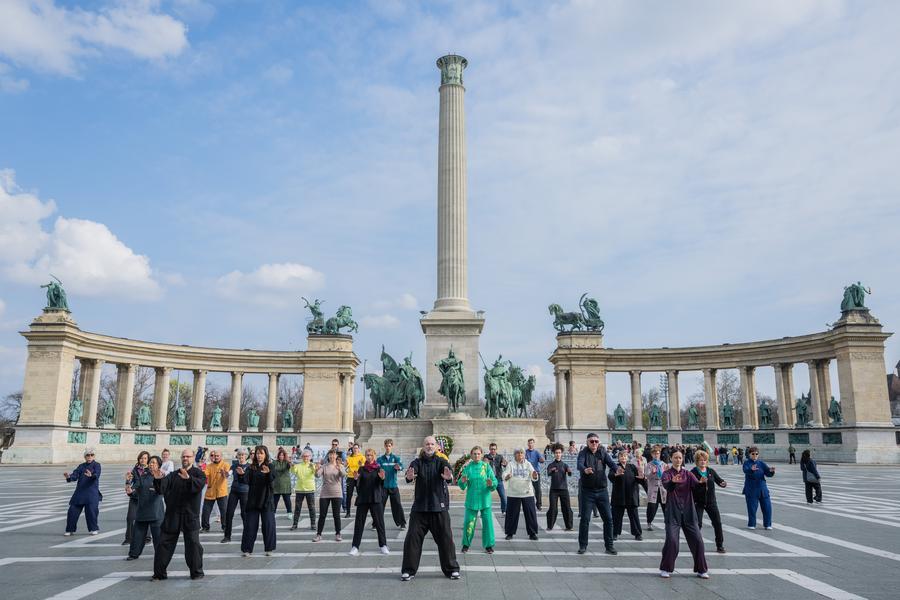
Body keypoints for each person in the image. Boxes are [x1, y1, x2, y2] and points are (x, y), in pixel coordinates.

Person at [400, 436, 460, 581]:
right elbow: (411, 473)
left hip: (438, 507)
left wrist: (448, 476)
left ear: (437, 447)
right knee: (412, 539)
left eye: (432, 444)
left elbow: (448, 472)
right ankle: (408, 570)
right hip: (420, 508)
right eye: (427, 444)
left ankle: (452, 569)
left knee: (446, 539)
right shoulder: (417, 462)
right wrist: (410, 476)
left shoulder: (441, 461)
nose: (429, 446)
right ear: (423, 446)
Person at [151, 448, 206, 581]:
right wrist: (158, 479)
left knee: (193, 545)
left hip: (190, 515)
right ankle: (159, 574)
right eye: (183, 456)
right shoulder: (173, 475)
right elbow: (161, 489)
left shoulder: (198, 474)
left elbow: (199, 486)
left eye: (188, 456)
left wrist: (188, 479)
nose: (185, 458)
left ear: (193, 458)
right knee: (164, 544)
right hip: (173, 515)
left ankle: (196, 573)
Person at [659, 450, 709, 579]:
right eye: (675, 457)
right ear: (671, 459)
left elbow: (697, 488)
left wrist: (702, 483)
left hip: (689, 512)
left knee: (698, 540)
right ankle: (665, 568)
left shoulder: (688, 474)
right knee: (672, 541)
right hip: (673, 512)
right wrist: (673, 482)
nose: (678, 460)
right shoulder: (667, 474)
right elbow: (667, 486)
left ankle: (701, 569)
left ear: (682, 459)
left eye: (680, 458)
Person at [576, 433, 618, 555]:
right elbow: (579, 464)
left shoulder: (602, 452)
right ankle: (583, 546)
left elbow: (611, 463)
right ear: (587, 442)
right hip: (587, 492)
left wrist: (618, 469)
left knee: (608, 519)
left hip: (602, 491)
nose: (594, 443)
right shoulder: (583, 453)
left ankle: (609, 546)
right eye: (591, 441)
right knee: (585, 519)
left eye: (596, 441)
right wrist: (584, 469)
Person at [349, 448, 389, 556]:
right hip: (363, 499)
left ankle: (383, 545)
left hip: (376, 499)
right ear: (365, 456)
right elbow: (358, 484)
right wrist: (356, 479)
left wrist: (382, 478)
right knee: (359, 524)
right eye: (367, 455)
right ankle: (355, 546)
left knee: (379, 523)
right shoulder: (361, 469)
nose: (369, 457)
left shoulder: (378, 468)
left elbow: (381, 484)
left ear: (374, 456)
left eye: (371, 455)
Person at [458, 446, 497, 553]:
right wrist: (463, 481)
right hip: (472, 499)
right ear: (471, 455)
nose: (476, 456)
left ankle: (489, 546)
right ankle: (466, 544)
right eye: (474, 454)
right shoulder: (468, 468)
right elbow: (461, 484)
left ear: (482, 455)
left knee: (487, 523)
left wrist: (491, 484)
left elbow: (494, 481)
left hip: (485, 500)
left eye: (478, 454)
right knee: (469, 523)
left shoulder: (486, 467)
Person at [240, 445, 277, 556]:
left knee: (268, 525)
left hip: (266, 499)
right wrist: (241, 475)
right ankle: (247, 549)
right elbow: (246, 480)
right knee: (250, 525)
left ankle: (269, 549)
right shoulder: (252, 467)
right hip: (253, 499)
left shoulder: (270, 466)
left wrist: (268, 473)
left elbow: (272, 480)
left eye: (261, 453)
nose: (259, 455)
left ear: (265, 454)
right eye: (257, 453)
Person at [126, 455, 164, 560]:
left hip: (156, 512)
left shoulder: (162, 477)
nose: (151, 464)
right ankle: (133, 554)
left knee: (158, 537)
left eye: (154, 463)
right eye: (150, 462)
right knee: (137, 536)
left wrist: (158, 479)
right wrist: (129, 488)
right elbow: (136, 489)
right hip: (142, 510)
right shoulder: (143, 476)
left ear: (159, 465)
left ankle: (161, 556)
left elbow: (162, 490)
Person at [690, 449, 727, 553]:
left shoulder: (711, 471)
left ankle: (720, 545)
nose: (703, 462)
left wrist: (723, 483)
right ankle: (695, 544)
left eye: (705, 460)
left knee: (717, 523)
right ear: (697, 461)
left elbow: (719, 481)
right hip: (698, 502)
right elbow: (690, 487)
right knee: (698, 524)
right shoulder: (692, 472)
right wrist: (699, 482)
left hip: (711, 502)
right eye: (701, 460)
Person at [503, 448, 539, 540]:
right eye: (518, 453)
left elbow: (533, 475)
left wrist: (534, 475)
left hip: (527, 492)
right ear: (515, 455)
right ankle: (510, 533)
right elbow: (505, 474)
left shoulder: (528, 464)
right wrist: (507, 476)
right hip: (514, 493)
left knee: (530, 513)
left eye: (522, 453)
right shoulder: (511, 464)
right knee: (511, 514)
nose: (520, 455)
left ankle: (532, 533)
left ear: (524, 454)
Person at [64, 448, 102, 536]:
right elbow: (75, 475)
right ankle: (70, 529)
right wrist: (69, 477)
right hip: (80, 493)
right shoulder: (81, 466)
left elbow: (97, 474)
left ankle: (93, 529)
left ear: (94, 456)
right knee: (72, 511)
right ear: (85, 457)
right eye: (88, 455)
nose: (90, 456)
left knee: (91, 512)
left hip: (91, 493)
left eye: (92, 455)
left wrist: (91, 475)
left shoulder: (97, 465)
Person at [609, 448, 642, 541]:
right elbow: (610, 476)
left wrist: (642, 478)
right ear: (618, 458)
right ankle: (614, 533)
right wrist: (616, 475)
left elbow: (638, 478)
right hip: (619, 496)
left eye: (625, 456)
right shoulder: (615, 466)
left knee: (634, 516)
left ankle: (637, 534)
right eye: (621, 456)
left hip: (631, 495)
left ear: (627, 457)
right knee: (616, 516)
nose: (623, 458)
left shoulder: (632, 467)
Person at [315, 449, 345, 542]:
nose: (332, 456)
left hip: (337, 493)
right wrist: (316, 469)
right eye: (330, 454)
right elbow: (317, 475)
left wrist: (340, 469)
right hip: (325, 493)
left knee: (336, 515)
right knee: (322, 515)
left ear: (336, 456)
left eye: (333, 454)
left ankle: (338, 534)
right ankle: (319, 534)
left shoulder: (340, 465)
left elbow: (343, 475)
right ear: (328, 456)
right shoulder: (324, 466)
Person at [742, 446, 775, 529]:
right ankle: (752, 524)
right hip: (751, 489)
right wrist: (751, 470)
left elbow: (767, 473)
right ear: (749, 454)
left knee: (767, 507)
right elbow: (745, 470)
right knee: (752, 508)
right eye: (753, 454)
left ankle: (768, 524)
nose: (755, 455)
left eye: (756, 454)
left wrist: (771, 471)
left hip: (762, 489)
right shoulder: (747, 463)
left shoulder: (761, 463)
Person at [222, 448, 250, 543]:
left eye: (243, 455)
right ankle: (227, 536)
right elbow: (228, 475)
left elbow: (249, 479)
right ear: (237, 456)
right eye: (239, 455)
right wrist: (225, 474)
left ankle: (247, 536)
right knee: (229, 513)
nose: (241, 456)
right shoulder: (234, 466)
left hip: (245, 492)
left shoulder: (249, 467)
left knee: (244, 514)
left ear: (246, 456)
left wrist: (243, 474)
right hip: (234, 491)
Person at [377, 438, 406, 529]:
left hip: (393, 486)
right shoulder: (380, 459)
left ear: (392, 446)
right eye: (386, 446)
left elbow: (402, 466)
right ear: (384, 446)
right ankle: (376, 523)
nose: (388, 447)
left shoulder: (396, 458)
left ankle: (402, 523)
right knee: (380, 505)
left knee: (397, 504)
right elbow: (377, 469)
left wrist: (399, 467)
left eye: (389, 446)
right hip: (383, 486)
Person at [123, 451, 149, 545]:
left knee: (147, 517)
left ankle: (147, 537)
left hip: (146, 497)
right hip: (135, 497)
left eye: (145, 458)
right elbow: (129, 482)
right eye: (141, 458)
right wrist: (127, 481)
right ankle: (129, 538)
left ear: (148, 460)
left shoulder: (150, 470)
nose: (143, 460)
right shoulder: (135, 470)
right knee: (130, 517)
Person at [545, 443, 573, 531]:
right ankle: (550, 526)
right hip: (554, 490)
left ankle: (569, 526)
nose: (558, 454)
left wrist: (569, 471)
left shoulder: (565, 465)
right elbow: (548, 473)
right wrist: (552, 471)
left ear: (561, 454)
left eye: (559, 453)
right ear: (554, 454)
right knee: (553, 508)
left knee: (567, 508)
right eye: (556, 453)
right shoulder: (551, 465)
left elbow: (570, 474)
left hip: (564, 489)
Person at [201, 450, 230, 533]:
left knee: (224, 511)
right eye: (214, 456)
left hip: (221, 492)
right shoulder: (209, 466)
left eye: (217, 456)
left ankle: (225, 527)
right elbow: (205, 475)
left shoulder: (225, 464)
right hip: (210, 491)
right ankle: (205, 527)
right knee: (206, 511)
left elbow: (227, 475)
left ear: (221, 456)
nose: (216, 457)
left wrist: (223, 473)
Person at [291, 449, 318, 530]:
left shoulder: (312, 465)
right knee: (297, 508)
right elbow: (293, 471)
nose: (306, 458)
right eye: (304, 456)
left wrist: (314, 468)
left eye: (307, 456)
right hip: (300, 489)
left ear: (310, 457)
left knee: (311, 507)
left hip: (310, 489)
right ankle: (295, 524)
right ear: (302, 457)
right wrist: (292, 466)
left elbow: (316, 474)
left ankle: (313, 524)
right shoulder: (298, 465)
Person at [644, 445, 667, 532]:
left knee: (666, 508)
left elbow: (667, 477)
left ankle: (667, 523)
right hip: (653, 490)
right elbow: (647, 476)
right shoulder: (649, 465)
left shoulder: (664, 464)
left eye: (657, 453)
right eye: (654, 453)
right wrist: (652, 473)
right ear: (652, 454)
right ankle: (649, 522)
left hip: (663, 490)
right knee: (652, 508)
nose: (656, 455)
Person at [486, 443, 508, 514]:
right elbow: (483, 463)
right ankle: (484, 511)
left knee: (503, 496)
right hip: (489, 479)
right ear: (489, 449)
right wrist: (485, 462)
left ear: (496, 449)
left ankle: (504, 511)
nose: (493, 450)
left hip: (498, 479)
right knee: (485, 496)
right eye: (491, 449)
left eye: (494, 449)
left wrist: (505, 464)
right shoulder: (486, 457)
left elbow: (505, 464)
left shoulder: (500, 457)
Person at [524, 438, 545, 511]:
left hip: (536, 473)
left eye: (531, 443)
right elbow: (523, 460)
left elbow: (541, 459)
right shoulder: (525, 452)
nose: (530, 444)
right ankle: (528, 504)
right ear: (528, 444)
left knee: (537, 490)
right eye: (529, 443)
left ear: (533, 444)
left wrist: (541, 460)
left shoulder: (537, 452)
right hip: (527, 473)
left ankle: (539, 504)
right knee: (527, 489)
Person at [272, 448, 293, 519]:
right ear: (278, 456)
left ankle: (289, 513)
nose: (281, 456)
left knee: (287, 500)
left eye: (282, 455)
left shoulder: (287, 462)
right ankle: (273, 513)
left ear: (284, 456)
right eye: (280, 455)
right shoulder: (274, 462)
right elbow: (272, 469)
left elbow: (290, 466)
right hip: (276, 485)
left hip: (285, 485)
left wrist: (289, 462)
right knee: (275, 501)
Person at [344, 443, 364, 517]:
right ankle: (348, 513)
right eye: (354, 448)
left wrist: (361, 464)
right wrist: (345, 460)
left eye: (356, 448)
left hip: (359, 477)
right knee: (349, 495)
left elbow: (364, 466)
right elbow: (344, 465)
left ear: (359, 449)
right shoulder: (349, 457)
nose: (355, 449)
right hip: (350, 477)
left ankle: (361, 511)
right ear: (352, 449)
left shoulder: (362, 457)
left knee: (360, 495)